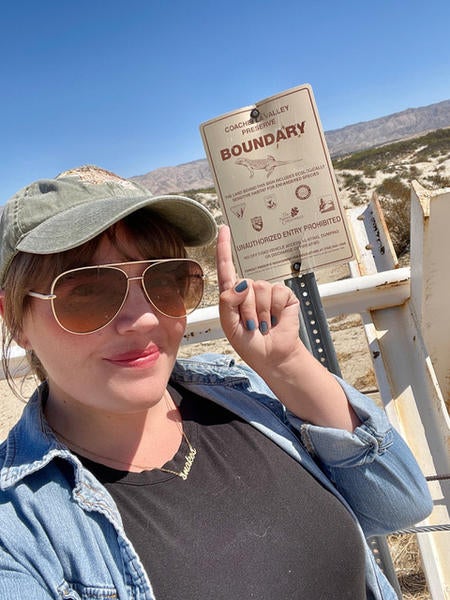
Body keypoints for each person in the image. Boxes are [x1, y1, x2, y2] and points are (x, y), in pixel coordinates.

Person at [0, 165, 432, 600]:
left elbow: (401, 502)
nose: (145, 318)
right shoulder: (17, 531)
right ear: (17, 321)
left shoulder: (238, 392)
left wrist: (286, 364)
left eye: (164, 281)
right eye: (86, 292)